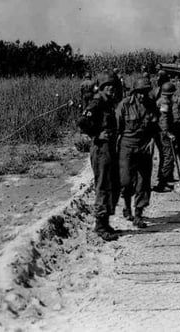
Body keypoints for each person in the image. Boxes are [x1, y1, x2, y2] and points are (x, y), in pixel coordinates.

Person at [78, 71, 121, 241]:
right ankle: (100, 225)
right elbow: (82, 122)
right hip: (101, 149)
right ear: (102, 87)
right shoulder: (97, 103)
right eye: (108, 86)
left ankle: (105, 220)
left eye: (113, 86)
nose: (111, 89)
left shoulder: (109, 103)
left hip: (110, 148)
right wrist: (96, 134)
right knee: (103, 185)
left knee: (114, 183)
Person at [115, 77, 158, 228]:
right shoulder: (124, 105)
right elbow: (116, 129)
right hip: (127, 147)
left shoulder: (151, 105)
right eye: (140, 93)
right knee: (126, 181)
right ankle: (127, 205)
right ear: (134, 92)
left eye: (145, 92)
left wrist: (153, 140)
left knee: (143, 181)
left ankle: (138, 214)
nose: (142, 96)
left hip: (144, 146)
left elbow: (155, 126)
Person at [153, 82, 178, 192]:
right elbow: (164, 119)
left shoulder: (160, 100)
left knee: (165, 155)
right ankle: (162, 182)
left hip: (159, 132)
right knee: (168, 156)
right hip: (163, 133)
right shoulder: (165, 102)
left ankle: (167, 178)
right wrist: (167, 132)